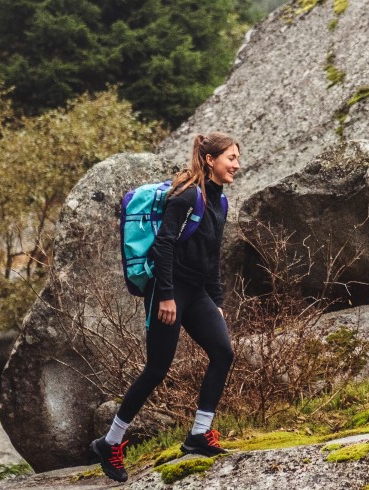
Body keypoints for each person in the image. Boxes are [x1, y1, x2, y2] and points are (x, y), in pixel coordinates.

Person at [91, 133, 240, 482]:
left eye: (236, 158)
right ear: (210, 160)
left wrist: (217, 302)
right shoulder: (186, 195)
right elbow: (164, 245)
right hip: (169, 289)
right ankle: (109, 442)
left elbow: (211, 257)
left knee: (223, 352)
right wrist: (167, 296)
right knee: (157, 368)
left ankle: (198, 434)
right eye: (231, 158)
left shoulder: (220, 202)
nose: (236, 164)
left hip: (197, 292)